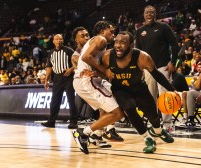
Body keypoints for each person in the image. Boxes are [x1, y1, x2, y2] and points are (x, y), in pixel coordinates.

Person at [101, 31, 175, 153]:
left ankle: (158, 131)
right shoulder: (107, 56)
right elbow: (100, 69)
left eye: (123, 42)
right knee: (130, 109)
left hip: (139, 89)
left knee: (153, 116)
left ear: (131, 45)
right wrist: (98, 73)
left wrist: (173, 90)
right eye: (116, 42)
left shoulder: (142, 57)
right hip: (121, 90)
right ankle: (148, 139)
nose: (118, 45)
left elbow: (156, 74)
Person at [72, 21, 124, 154]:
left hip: (92, 78)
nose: (113, 34)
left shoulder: (102, 47)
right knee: (117, 113)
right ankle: (83, 133)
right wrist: (104, 71)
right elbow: (85, 57)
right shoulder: (101, 40)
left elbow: (94, 65)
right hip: (86, 81)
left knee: (106, 107)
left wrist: (98, 72)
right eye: (111, 31)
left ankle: (97, 134)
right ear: (102, 32)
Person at [135, 5, 179, 130]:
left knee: (165, 96)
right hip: (148, 69)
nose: (149, 14)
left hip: (163, 67)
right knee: (150, 97)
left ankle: (167, 124)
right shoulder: (139, 31)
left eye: (152, 12)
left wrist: (173, 62)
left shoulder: (163, 27)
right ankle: (154, 123)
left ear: (155, 15)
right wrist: (140, 70)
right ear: (144, 14)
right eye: (147, 12)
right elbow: (137, 52)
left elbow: (174, 44)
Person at [41, 34, 78, 129]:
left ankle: (73, 121)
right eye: (56, 39)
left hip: (68, 77)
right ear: (53, 41)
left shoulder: (69, 51)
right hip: (57, 78)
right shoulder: (51, 53)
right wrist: (46, 80)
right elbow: (49, 67)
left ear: (63, 40)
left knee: (71, 100)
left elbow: (77, 63)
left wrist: (70, 69)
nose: (58, 41)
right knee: (55, 100)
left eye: (60, 39)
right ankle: (51, 121)